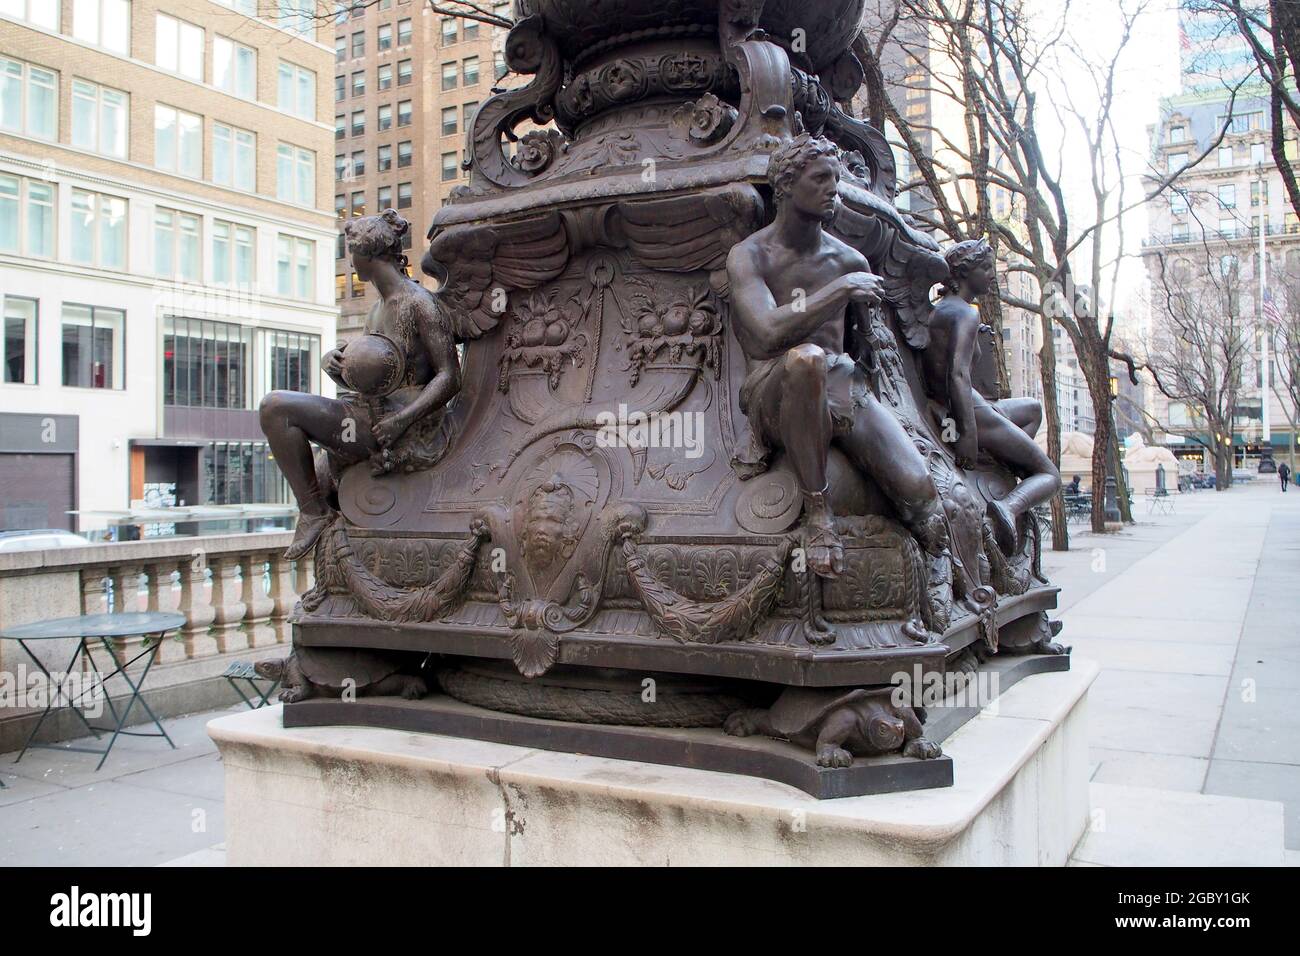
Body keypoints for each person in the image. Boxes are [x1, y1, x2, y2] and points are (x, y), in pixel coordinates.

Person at [727, 134, 948, 578]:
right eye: (821, 178)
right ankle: (818, 514)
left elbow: (872, 352)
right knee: (805, 359)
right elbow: (768, 333)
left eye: (837, 178)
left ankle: (940, 582)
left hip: (842, 385)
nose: (834, 188)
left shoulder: (850, 259)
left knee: (922, 494)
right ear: (787, 185)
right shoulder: (749, 255)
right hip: (776, 386)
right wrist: (840, 290)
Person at [260, 210, 461, 560]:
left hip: (402, 424)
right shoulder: (376, 311)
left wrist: (403, 420)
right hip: (370, 412)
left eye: (351, 252)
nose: (350, 261)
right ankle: (320, 514)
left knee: (276, 407)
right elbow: (373, 374)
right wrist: (336, 365)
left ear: (366, 255)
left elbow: (449, 376)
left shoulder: (420, 304)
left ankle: (313, 514)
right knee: (320, 477)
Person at [921, 238, 1062, 554]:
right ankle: (1008, 507)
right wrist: (969, 434)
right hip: (967, 408)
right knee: (1049, 475)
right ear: (965, 272)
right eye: (986, 268)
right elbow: (957, 374)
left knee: (1033, 409)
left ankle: (1000, 468)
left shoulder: (937, 311)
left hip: (966, 404)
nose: (991, 275)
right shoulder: (965, 314)